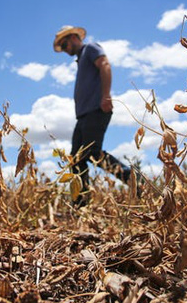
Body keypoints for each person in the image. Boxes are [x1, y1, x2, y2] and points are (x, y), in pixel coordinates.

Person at [53, 25, 133, 205]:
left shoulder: (90, 48)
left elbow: (105, 64)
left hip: (95, 110)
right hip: (82, 116)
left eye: (65, 45)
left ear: (74, 38)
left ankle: (136, 182)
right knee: (75, 158)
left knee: (93, 154)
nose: (65, 51)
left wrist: (105, 95)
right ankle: (81, 202)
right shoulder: (80, 60)